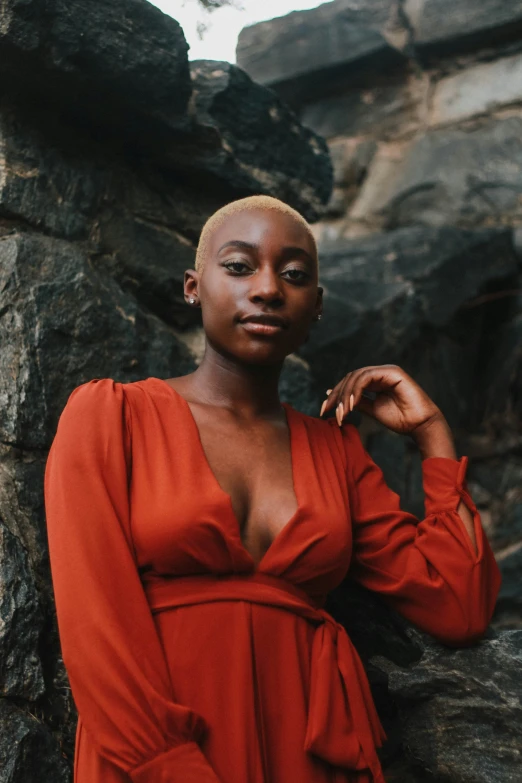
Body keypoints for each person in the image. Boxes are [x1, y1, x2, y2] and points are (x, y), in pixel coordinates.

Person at [44, 194, 502, 783]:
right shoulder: (112, 416)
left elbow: (458, 607)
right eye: (238, 267)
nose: (266, 289)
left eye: (293, 275)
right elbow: (92, 621)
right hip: (155, 755)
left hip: (306, 755)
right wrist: (166, 764)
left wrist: (432, 435)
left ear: (316, 307)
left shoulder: (335, 450)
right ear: (193, 286)